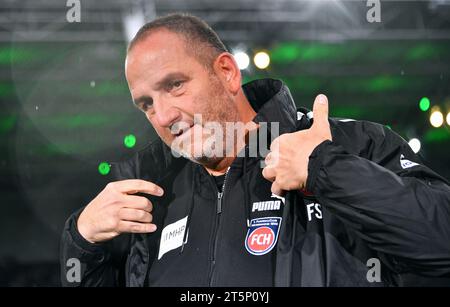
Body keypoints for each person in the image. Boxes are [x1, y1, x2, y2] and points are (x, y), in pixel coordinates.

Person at [60, 13, 450, 287]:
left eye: (174, 85)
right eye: (146, 103)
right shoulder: (149, 195)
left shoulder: (347, 144)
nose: (162, 115)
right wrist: (82, 244)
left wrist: (324, 169)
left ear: (227, 72)